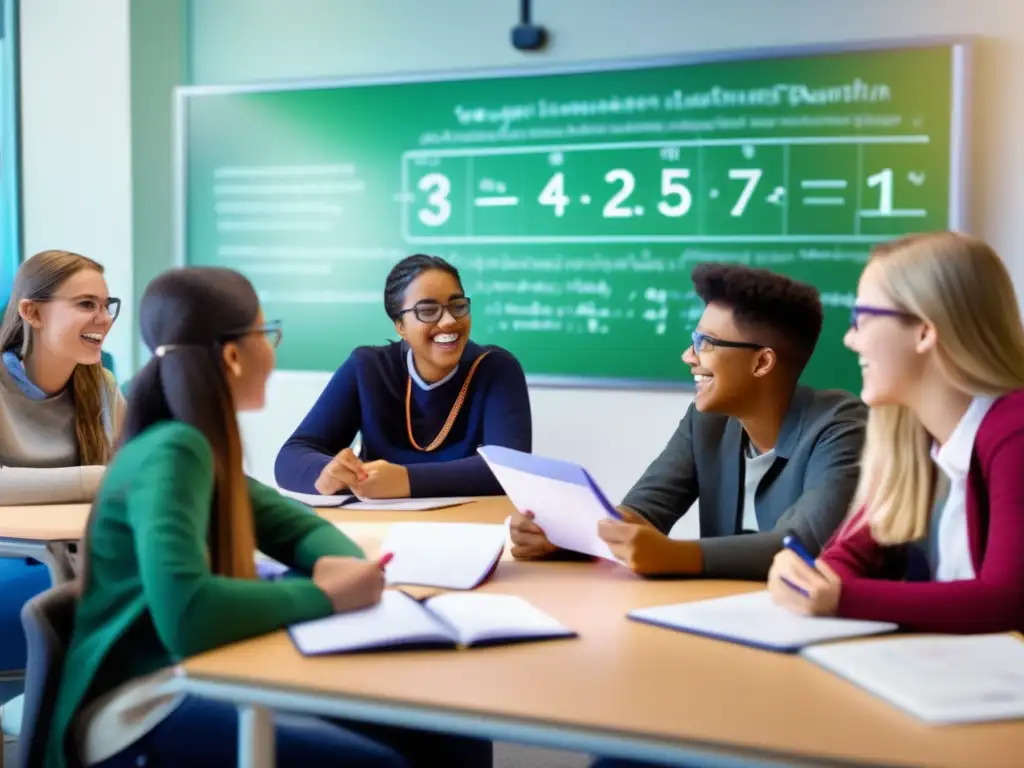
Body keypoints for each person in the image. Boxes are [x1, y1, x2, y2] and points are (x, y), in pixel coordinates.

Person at [47, 267, 491, 768]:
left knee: (448, 729)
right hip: (137, 711)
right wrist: (323, 594)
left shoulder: (199, 446)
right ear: (234, 356)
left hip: (202, 671)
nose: (272, 350)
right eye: (266, 333)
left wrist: (334, 568)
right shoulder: (174, 451)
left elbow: (299, 527)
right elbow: (189, 616)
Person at [510, 262, 867, 580]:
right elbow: (642, 514)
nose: (688, 356)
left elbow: (802, 545)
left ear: (762, 363)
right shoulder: (706, 421)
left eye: (705, 343)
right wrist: (565, 536)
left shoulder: (841, 426)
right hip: (717, 615)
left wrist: (675, 554)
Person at [769, 232, 1024, 633]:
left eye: (861, 320)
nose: (850, 339)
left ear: (924, 331)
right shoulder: (913, 435)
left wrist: (840, 598)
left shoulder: (1015, 430)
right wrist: (812, 578)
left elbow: (1009, 600)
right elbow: (850, 557)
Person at [275, 253, 532, 499]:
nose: (449, 321)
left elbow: (509, 469)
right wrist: (327, 472)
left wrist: (406, 479)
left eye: (458, 306)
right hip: (380, 529)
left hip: (473, 529)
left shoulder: (497, 369)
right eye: (428, 310)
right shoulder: (367, 367)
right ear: (400, 326)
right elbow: (291, 456)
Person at [0, 249, 124, 679]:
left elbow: (132, 472)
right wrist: (97, 479)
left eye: (107, 305)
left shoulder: (102, 386)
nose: (104, 319)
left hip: (80, 554)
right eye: (85, 304)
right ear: (31, 312)